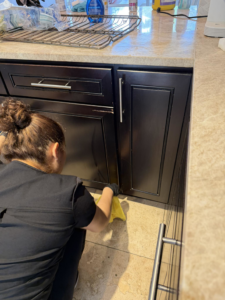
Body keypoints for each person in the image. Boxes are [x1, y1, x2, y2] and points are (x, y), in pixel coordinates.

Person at [0, 98, 119, 300]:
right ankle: (66, 284)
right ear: (56, 151)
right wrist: (109, 190)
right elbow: (100, 222)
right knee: (79, 221)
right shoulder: (69, 194)